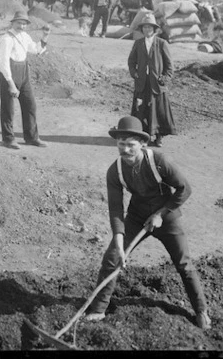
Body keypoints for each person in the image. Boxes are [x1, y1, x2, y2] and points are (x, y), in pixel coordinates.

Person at [85, 115, 211, 329]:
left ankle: (201, 311)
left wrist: (161, 214)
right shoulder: (114, 171)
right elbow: (116, 208)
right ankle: (98, 309)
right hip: (136, 216)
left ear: (142, 144)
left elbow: (184, 189)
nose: (125, 150)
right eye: (121, 144)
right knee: (112, 258)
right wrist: (119, 238)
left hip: (167, 217)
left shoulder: (158, 161)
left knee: (183, 264)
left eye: (130, 145)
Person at [0, 11, 50, 150]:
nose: (22, 26)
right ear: (13, 22)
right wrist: (11, 84)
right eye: (19, 23)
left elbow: (36, 50)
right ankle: (8, 139)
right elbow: (3, 63)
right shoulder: (6, 38)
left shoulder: (25, 36)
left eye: (24, 23)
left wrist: (44, 37)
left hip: (23, 73)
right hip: (9, 74)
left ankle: (31, 137)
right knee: (8, 109)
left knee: (30, 105)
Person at [127, 13, 176, 147]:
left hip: (157, 84)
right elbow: (131, 61)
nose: (147, 30)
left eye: (149, 28)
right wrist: (135, 73)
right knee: (141, 110)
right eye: (145, 28)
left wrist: (165, 78)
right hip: (142, 83)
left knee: (158, 111)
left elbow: (169, 66)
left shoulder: (161, 44)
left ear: (154, 30)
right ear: (142, 29)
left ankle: (159, 137)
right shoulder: (138, 43)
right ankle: (143, 137)